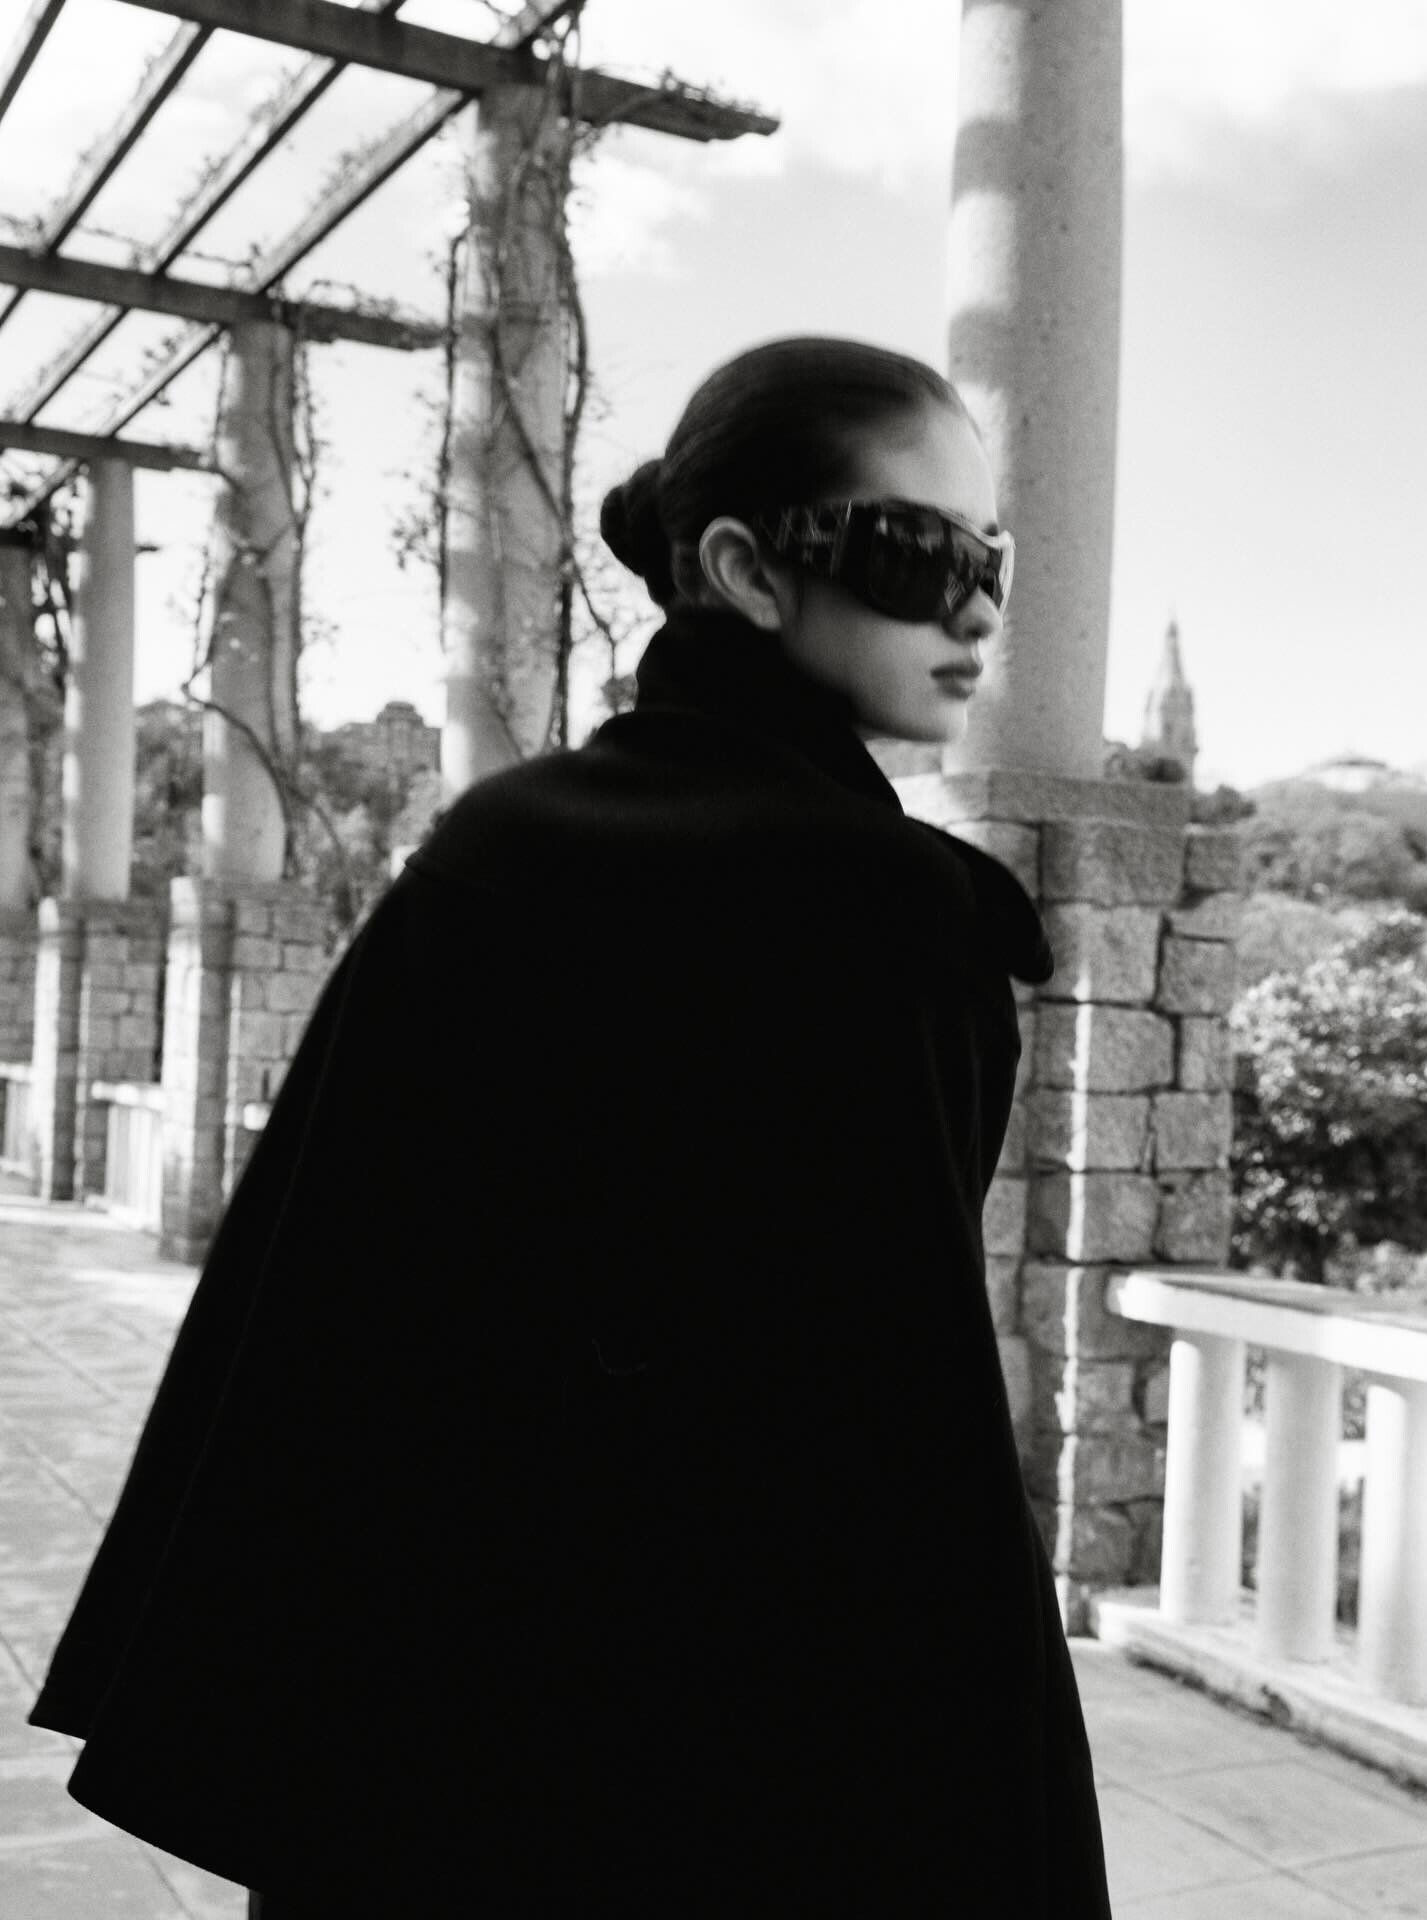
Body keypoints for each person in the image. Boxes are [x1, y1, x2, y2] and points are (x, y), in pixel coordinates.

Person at [29, 336, 1111, 1917]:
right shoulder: (890, 918)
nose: (976, 612)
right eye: (916, 554)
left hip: (426, 1731)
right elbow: (895, 1458)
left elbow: (328, 1352)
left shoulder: (494, 847)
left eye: (990, 562)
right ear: (743, 569)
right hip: (716, 1771)